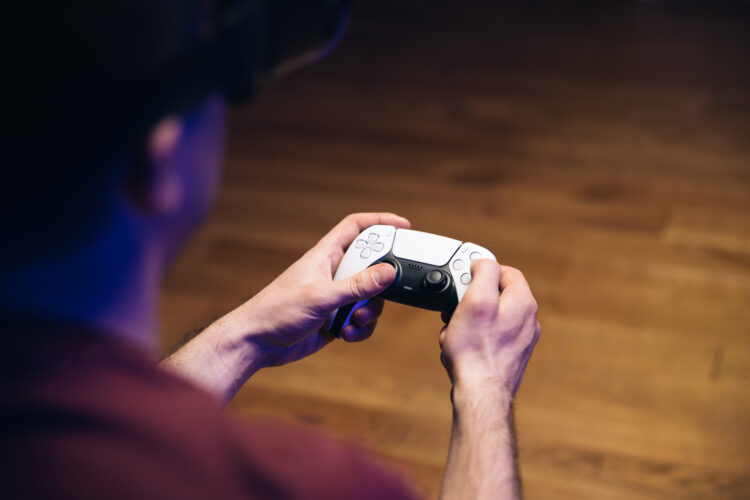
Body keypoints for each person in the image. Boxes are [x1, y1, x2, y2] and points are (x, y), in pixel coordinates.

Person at [1, 2, 540, 499]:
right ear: (157, 160)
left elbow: (106, 438)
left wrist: (244, 336)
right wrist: (485, 387)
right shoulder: (306, 484)